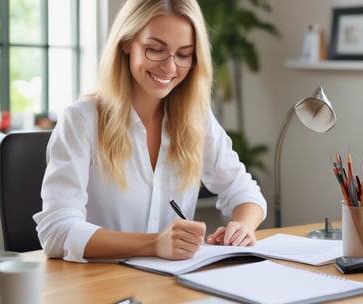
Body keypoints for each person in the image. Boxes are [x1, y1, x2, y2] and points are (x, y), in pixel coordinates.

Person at [33, 0, 267, 263]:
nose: (169, 68)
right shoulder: (82, 119)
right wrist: (155, 243)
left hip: (171, 287)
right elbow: (56, 231)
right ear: (126, 43)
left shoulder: (195, 118)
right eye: (155, 49)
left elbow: (244, 192)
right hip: (100, 286)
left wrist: (243, 227)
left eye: (183, 54)